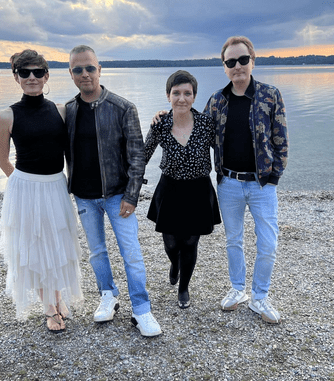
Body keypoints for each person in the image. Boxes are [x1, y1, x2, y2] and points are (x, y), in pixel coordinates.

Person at [65, 45, 162, 337]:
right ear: (71, 73)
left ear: (99, 69)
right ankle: (108, 295)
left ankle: (141, 309)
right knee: (96, 252)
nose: (85, 74)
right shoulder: (68, 111)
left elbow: (137, 157)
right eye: (78, 69)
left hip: (118, 195)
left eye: (89, 68)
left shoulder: (123, 108)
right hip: (84, 196)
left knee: (131, 254)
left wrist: (132, 196)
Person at [0, 49, 83, 333]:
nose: (31, 77)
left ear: (46, 76)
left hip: (56, 185)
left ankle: (57, 296)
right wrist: (24, 185)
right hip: (25, 189)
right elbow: (3, 160)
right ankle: (49, 307)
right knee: (34, 247)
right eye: (25, 72)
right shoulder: (7, 116)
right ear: (16, 77)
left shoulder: (61, 110)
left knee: (57, 243)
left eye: (37, 72)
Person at [203, 36, 288, 324]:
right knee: (233, 240)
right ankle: (238, 289)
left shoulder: (270, 95)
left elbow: (281, 139)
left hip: (263, 184)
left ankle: (259, 296)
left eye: (242, 60)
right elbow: (198, 132)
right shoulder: (217, 100)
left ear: (252, 61)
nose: (237, 66)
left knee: (268, 243)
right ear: (224, 67)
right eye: (231, 62)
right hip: (228, 184)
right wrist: (167, 116)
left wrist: (275, 175)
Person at [145, 70, 221, 309]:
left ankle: (184, 288)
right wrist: (129, 181)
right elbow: (143, 154)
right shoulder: (160, 124)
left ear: (194, 96)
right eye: (176, 93)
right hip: (170, 189)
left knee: (189, 243)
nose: (181, 98)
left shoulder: (206, 124)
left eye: (187, 93)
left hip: (198, 190)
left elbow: (223, 151)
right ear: (168, 95)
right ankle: (174, 264)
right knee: (171, 244)